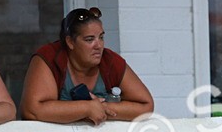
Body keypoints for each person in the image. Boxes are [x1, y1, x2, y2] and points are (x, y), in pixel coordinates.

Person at [21, 7, 154, 124]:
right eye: (89, 39)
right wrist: (86, 109)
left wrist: (102, 108)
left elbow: (146, 106)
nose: (99, 46)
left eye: (101, 37)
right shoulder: (50, 57)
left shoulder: (109, 60)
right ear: (70, 42)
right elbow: (32, 110)